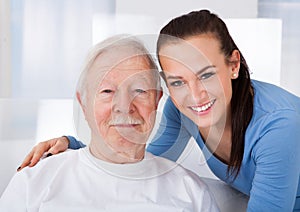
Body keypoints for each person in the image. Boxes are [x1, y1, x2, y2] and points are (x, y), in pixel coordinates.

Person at [17, 10, 300, 211]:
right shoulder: (184, 110)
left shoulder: (279, 126)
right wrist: (77, 145)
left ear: (233, 65)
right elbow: (147, 157)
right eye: (179, 81)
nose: (195, 94)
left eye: (206, 75)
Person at [0, 35, 219, 212]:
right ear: (83, 104)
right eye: (107, 91)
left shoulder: (191, 193)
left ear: (156, 100)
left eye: (139, 91)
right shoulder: (33, 182)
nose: (124, 106)